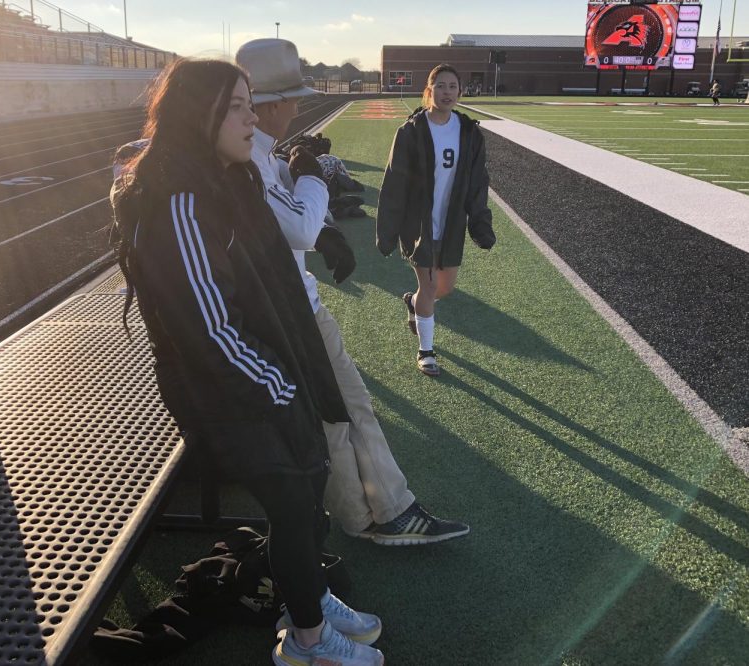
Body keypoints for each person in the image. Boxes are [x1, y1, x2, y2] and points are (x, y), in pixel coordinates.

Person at [109, 57, 384, 666]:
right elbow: (210, 328)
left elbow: (271, 273)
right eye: (237, 105)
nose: (251, 117)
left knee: (310, 487)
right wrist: (281, 387)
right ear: (197, 113)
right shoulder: (179, 202)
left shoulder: (226, 178)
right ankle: (306, 643)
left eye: (251, 101)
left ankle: (305, 597)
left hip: (268, 375)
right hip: (232, 393)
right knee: (291, 500)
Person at [236, 39, 470, 547]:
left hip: (279, 306)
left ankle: (361, 513)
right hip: (292, 309)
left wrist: (316, 216)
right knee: (350, 407)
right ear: (269, 102)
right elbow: (297, 226)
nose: (297, 108)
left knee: (336, 414)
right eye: (292, 99)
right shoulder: (247, 159)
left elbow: (286, 223)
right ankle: (387, 512)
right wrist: (311, 178)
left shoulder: (250, 153)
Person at [376, 63, 495, 376]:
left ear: (460, 91)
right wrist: (387, 230)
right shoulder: (411, 132)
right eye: (440, 86)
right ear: (429, 91)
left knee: (444, 289)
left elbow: (477, 183)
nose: (447, 92)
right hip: (418, 224)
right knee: (429, 288)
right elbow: (394, 182)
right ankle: (426, 351)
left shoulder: (469, 133)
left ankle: (414, 304)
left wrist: (480, 224)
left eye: (453, 86)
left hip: (451, 222)